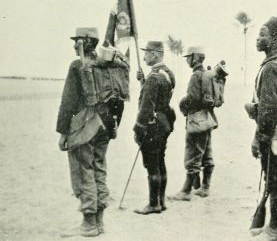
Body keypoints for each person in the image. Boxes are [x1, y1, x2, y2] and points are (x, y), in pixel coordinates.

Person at [56, 27, 125, 237]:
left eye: (77, 41)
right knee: (99, 169)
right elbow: (120, 100)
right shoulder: (112, 66)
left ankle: (88, 224)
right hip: (105, 125)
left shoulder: (78, 66)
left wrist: (63, 131)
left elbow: (67, 102)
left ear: (85, 42)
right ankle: (99, 222)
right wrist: (114, 127)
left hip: (84, 127)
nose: (74, 45)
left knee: (83, 170)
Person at [251, 17, 277, 240]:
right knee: (275, 177)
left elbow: (269, 108)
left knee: (275, 179)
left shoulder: (272, 67)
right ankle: (274, 226)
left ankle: (276, 229)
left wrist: (260, 138)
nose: (258, 38)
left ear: (275, 38)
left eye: (263, 34)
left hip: (273, 133)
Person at [133, 41, 176, 214]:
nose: (144, 57)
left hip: (152, 125)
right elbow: (161, 96)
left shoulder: (154, 77)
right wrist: (143, 81)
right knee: (160, 160)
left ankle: (153, 204)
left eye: (147, 53)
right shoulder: (168, 73)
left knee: (152, 164)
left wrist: (138, 127)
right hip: (164, 122)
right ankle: (162, 201)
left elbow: (146, 107)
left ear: (155, 54)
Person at [170, 46, 216, 201]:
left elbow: (193, 98)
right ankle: (205, 187)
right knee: (207, 153)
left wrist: (182, 103)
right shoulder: (207, 74)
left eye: (189, 57)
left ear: (195, 58)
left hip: (196, 119)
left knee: (192, 154)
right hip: (207, 118)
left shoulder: (196, 76)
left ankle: (186, 191)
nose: (187, 60)